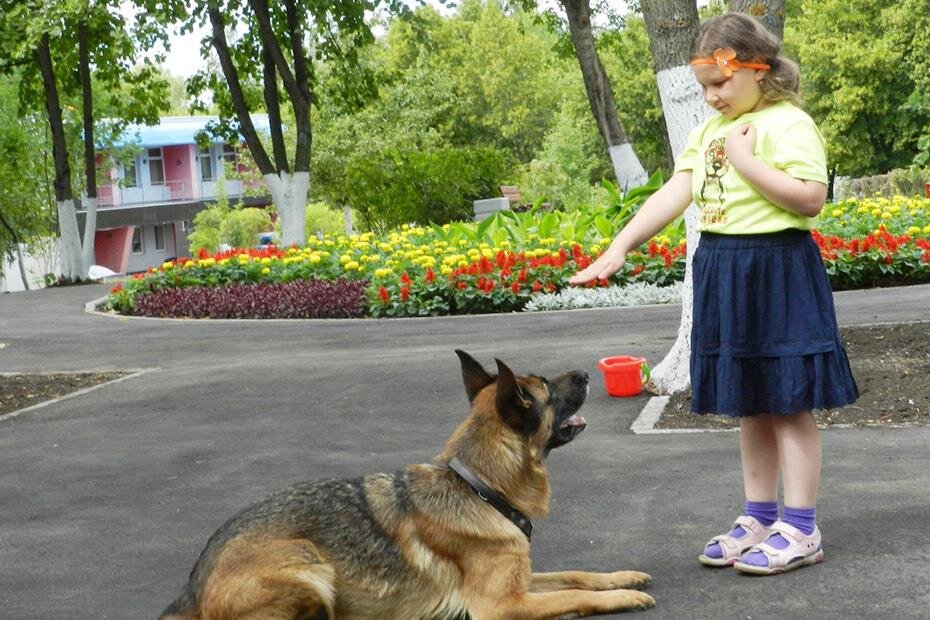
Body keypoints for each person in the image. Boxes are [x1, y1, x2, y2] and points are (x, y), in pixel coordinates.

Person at [569, 12, 858, 575]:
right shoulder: (706, 134)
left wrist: (747, 162)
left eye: (720, 83)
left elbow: (810, 200)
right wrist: (620, 245)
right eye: (703, 86)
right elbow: (676, 193)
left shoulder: (789, 123)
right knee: (751, 402)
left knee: (789, 403)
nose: (710, 97)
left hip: (777, 268)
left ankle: (801, 528)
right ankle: (759, 516)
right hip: (723, 268)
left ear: (761, 70)